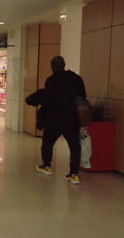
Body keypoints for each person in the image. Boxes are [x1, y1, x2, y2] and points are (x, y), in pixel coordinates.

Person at [36, 56, 87, 185]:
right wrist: (82, 122)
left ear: (53, 66)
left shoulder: (51, 80)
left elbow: (47, 101)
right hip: (72, 119)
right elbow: (82, 100)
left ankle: (46, 165)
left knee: (47, 142)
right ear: (64, 64)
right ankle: (74, 174)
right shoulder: (76, 79)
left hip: (54, 119)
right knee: (75, 146)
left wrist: (42, 118)